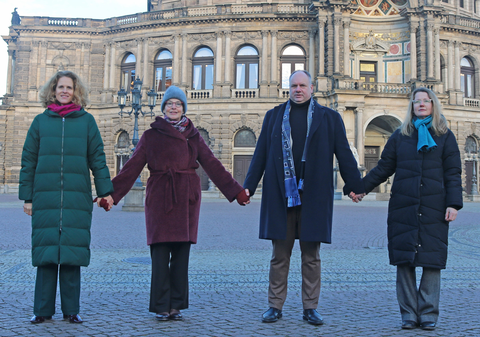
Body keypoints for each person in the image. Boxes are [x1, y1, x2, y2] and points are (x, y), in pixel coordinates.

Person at [108, 85, 249, 321]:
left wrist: (236, 192)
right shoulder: (151, 135)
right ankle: (161, 305)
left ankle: (176, 305)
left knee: (181, 257)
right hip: (160, 197)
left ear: (184, 108)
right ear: (163, 108)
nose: (174, 107)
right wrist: (111, 194)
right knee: (161, 256)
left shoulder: (193, 135)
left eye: (178, 104)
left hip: (186, 198)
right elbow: (132, 166)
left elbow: (212, 164)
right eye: (170, 104)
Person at [243, 70, 364, 325]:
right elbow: (260, 155)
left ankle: (310, 307)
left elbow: (344, 154)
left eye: (302, 85)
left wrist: (354, 185)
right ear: (289, 88)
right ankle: (275, 306)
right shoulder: (273, 116)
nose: (298, 89)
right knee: (279, 256)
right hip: (281, 196)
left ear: (311, 89)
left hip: (314, 196)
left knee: (311, 256)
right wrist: (248, 187)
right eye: (294, 85)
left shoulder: (329, 118)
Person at [349, 87, 462, 330]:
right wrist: (361, 188)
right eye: (416, 102)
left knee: (432, 260)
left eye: (425, 101)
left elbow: (453, 173)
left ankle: (429, 313)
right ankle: (409, 313)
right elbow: (383, 168)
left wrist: (453, 203)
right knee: (405, 260)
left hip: (435, 205)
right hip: (404, 205)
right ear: (411, 106)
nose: (421, 105)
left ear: (433, 105)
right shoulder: (400, 135)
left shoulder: (445, 135)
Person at [19, 70, 114, 324]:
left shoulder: (87, 122)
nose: (64, 91)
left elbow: (98, 159)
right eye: (60, 87)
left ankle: (71, 310)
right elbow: (28, 161)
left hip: (76, 197)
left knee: (71, 255)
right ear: (53, 90)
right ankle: (42, 310)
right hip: (45, 198)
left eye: (69, 87)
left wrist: (105, 192)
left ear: (76, 92)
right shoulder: (40, 122)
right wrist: (27, 198)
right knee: (46, 255)